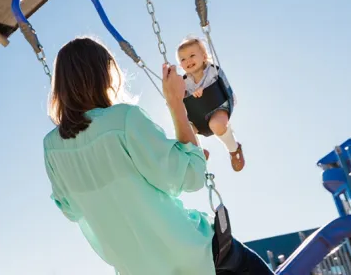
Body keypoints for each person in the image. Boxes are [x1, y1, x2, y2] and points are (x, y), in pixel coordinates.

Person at [43, 36, 273, 275]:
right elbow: (192, 177)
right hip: (194, 255)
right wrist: (175, 103)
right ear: (105, 74)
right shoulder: (124, 119)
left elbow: (71, 210)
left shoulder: (51, 147)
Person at [176, 36, 244, 172]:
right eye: (183, 59)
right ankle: (199, 154)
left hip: (219, 106)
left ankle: (234, 149)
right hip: (198, 116)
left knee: (216, 125)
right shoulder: (184, 82)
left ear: (204, 56)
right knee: (184, 131)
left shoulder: (212, 71)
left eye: (192, 55)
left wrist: (203, 91)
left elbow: (219, 84)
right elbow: (180, 98)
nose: (188, 60)